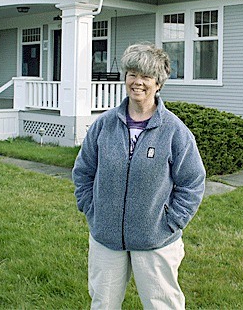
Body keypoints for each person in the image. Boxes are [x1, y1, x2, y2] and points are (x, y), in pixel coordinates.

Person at [72, 43, 206, 309]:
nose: (138, 82)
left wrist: (171, 221)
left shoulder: (174, 131)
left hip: (155, 241)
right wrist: (92, 209)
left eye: (146, 76)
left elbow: (192, 182)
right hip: (106, 239)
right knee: (103, 304)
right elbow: (83, 171)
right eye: (132, 74)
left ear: (158, 84)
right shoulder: (104, 124)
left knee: (162, 305)